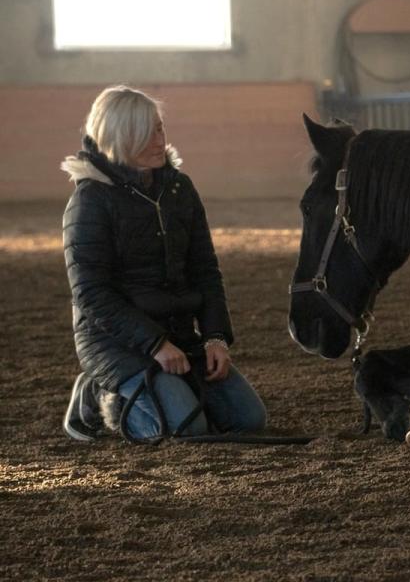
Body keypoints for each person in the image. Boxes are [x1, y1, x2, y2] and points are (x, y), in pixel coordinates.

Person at [60, 85, 267, 441]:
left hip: (179, 337)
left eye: (160, 129)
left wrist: (215, 337)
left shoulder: (179, 189)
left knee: (249, 420)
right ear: (119, 137)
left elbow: (205, 268)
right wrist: (155, 345)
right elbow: (91, 294)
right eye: (146, 133)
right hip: (116, 344)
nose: (159, 140)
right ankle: (100, 393)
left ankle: (175, 394)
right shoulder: (90, 201)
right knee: (179, 429)